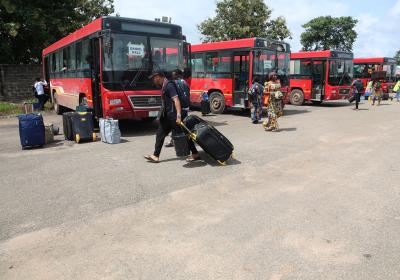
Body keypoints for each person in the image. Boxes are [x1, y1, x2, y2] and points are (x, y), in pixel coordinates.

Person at [145, 71, 199, 163]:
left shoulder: (169, 85)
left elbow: (176, 100)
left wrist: (178, 116)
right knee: (160, 134)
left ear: (158, 76)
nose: (153, 80)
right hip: (167, 116)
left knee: (184, 135)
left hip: (174, 116)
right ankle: (155, 155)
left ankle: (195, 153)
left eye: (153, 78)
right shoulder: (164, 85)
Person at [164, 69, 191, 148]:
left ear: (178, 75)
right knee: (180, 125)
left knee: (176, 126)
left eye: (174, 75)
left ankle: (177, 141)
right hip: (185, 107)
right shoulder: (185, 82)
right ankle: (176, 140)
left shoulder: (177, 83)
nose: (173, 76)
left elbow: (177, 97)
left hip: (179, 108)